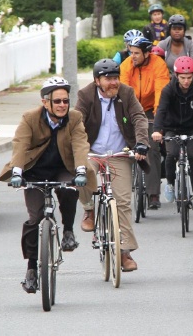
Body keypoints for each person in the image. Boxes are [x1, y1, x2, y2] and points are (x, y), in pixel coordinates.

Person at [0, 77, 95, 293]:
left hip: (62, 167)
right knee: (35, 218)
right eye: (57, 101)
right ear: (45, 102)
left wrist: (80, 170)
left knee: (69, 189)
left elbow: (80, 144)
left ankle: (68, 231)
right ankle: (31, 269)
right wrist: (17, 171)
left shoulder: (75, 118)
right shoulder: (30, 118)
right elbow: (21, 144)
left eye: (65, 101)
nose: (62, 105)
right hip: (34, 170)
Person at [76, 59, 150, 272]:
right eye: (108, 78)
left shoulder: (126, 93)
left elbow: (138, 117)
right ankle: (89, 210)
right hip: (91, 152)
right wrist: (77, 150)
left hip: (119, 153)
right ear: (97, 80)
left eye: (115, 78)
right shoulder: (86, 95)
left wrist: (141, 144)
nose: (113, 82)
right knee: (83, 174)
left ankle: (125, 252)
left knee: (124, 202)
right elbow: (77, 122)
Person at [152, 56, 193, 209]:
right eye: (183, 77)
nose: (186, 81)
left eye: (189, 77)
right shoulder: (168, 89)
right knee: (171, 154)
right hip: (172, 127)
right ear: (176, 76)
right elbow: (161, 110)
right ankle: (170, 183)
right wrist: (157, 130)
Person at [120, 36, 169, 209]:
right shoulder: (126, 65)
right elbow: (123, 92)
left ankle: (153, 193)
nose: (132, 56)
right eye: (131, 52)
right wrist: (126, 116)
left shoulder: (158, 64)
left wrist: (158, 123)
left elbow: (161, 93)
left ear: (147, 53)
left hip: (150, 109)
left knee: (152, 148)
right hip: (130, 108)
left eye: (136, 53)